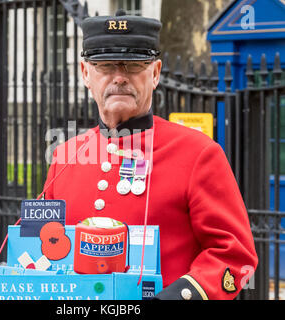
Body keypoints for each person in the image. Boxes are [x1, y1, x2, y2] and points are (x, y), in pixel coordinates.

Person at [43, 9, 258, 300]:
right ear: (85, 74)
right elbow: (44, 242)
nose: (119, 78)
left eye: (133, 66)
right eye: (105, 66)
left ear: (155, 73)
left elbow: (235, 256)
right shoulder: (66, 156)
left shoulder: (198, 154)